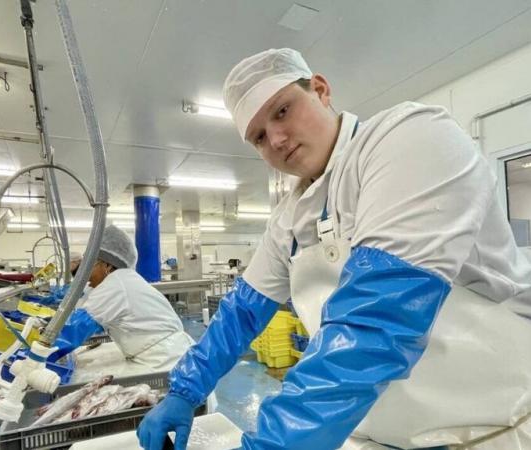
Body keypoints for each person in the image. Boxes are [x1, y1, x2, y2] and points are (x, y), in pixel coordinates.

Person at [137, 48, 531, 450]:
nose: (275, 138)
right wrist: (184, 390)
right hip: (374, 433)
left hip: (491, 430)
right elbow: (240, 314)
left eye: (282, 111)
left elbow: (377, 320)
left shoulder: (410, 138)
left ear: (321, 90)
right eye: (258, 136)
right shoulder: (288, 219)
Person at [50, 225, 196, 379]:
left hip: (166, 361)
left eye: (90, 265)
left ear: (107, 265)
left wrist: (35, 355)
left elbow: (73, 331)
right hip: (170, 356)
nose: (86, 274)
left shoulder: (114, 284)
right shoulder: (122, 279)